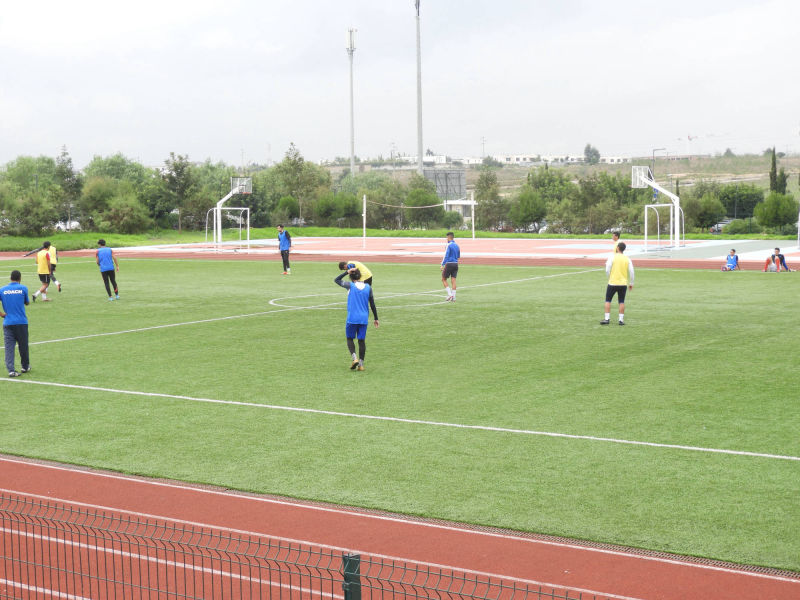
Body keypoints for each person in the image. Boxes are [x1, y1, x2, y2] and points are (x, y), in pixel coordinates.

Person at [334, 267, 379, 371]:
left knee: (350, 338)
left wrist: (346, 272)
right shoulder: (368, 287)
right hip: (363, 319)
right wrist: (376, 318)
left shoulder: (350, 285)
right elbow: (372, 304)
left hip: (352, 318)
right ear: (360, 276)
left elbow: (336, 280)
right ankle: (361, 365)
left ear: (351, 277)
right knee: (361, 340)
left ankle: (355, 358)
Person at [0, 270, 31, 377]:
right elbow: (27, 302)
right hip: (21, 322)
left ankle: (11, 370)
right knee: (23, 346)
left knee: (9, 348)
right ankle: (25, 366)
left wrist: (1, 314)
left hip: (7, 322)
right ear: (20, 278)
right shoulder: (23, 288)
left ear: (10, 278)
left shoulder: (2, 290)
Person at [601, 241, 634, 326]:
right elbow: (631, 271)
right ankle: (621, 320)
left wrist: (609, 276)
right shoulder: (627, 259)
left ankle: (607, 319)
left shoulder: (612, 257)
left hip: (612, 282)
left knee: (608, 300)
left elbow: (607, 268)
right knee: (621, 301)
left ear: (618, 248)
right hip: (623, 284)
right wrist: (631, 283)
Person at [441, 231, 460, 302]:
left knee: (443, 279)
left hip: (449, 263)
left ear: (448, 237)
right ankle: (454, 297)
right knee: (453, 280)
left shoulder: (448, 245)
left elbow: (446, 255)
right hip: (456, 264)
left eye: (446, 237)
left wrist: (442, 264)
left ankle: (450, 295)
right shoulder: (457, 246)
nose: (446, 239)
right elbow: (458, 256)